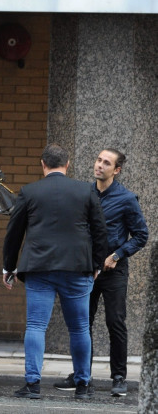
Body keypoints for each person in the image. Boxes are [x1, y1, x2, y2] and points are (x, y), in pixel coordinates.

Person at [3, 144, 107, 400]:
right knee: (80, 328)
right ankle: (83, 385)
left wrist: (9, 266)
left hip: (40, 267)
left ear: (43, 164)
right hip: (77, 267)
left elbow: (14, 232)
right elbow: (100, 231)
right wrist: (96, 264)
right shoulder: (85, 190)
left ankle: (33, 384)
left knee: (36, 326)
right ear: (67, 164)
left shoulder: (29, 191)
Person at [53, 148, 148, 397]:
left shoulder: (127, 198)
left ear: (116, 170)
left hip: (114, 270)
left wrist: (117, 255)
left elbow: (141, 235)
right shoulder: (84, 194)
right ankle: (82, 375)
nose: (99, 165)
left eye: (106, 163)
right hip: (86, 268)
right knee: (82, 323)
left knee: (115, 321)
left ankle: (119, 377)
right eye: (98, 160)